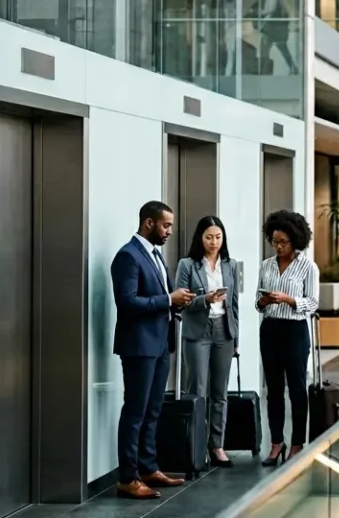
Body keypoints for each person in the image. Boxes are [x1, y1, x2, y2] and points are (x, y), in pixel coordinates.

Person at [112, 201, 195, 499]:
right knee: (135, 411)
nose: (170, 231)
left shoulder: (157, 257)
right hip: (138, 347)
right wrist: (168, 300)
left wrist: (179, 301)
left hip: (160, 345)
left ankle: (148, 467)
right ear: (149, 223)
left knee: (153, 410)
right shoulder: (128, 256)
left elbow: (163, 298)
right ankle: (128, 478)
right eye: (166, 225)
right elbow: (128, 302)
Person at [256, 210, 320, 466]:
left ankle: (296, 443)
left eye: (283, 242)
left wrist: (289, 299)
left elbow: (314, 303)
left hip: (295, 331)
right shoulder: (266, 265)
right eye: (274, 241)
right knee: (273, 390)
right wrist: (263, 300)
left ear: (296, 240)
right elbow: (258, 305)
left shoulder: (308, 267)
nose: (278, 246)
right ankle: (275, 443)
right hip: (270, 328)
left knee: (296, 388)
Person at [175, 216, 240, 468]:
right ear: (199, 238)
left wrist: (236, 338)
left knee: (220, 393)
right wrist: (206, 299)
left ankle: (217, 446)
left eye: (218, 237)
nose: (214, 242)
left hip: (224, 330)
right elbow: (181, 300)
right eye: (209, 237)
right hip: (198, 332)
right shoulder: (187, 265)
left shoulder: (230, 265)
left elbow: (233, 305)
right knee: (198, 391)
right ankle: (196, 446)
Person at [257, 0, 296, 75]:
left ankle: (264, 71)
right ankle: (292, 67)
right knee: (281, 49)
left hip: (272, 28)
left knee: (266, 49)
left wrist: (260, 13)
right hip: (275, 28)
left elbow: (270, 10)